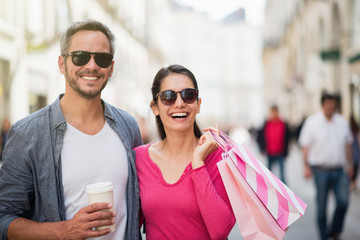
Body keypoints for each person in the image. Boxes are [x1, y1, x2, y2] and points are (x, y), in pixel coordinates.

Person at [0, 19, 143, 240]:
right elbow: (4, 220)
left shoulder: (128, 126)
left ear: (111, 68)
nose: (92, 66)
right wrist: (65, 231)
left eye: (102, 58)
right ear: (61, 64)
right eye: (80, 56)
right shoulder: (27, 134)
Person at [134, 64, 236, 239]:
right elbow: (129, 223)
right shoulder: (138, 158)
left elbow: (221, 230)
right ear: (155, 107)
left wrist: (198, 163)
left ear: (198, 104)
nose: (179, 103)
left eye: (188, 95)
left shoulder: (220, 155)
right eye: (168, 97)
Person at [299, 93, 353, 240]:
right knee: (322, 207)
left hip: (339, 170)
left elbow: (348, 144)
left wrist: (350, 164)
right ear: (323, 105)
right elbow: (305, 145)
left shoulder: (342, 122)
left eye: (332, 103)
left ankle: (335, 229)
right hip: (320, 170)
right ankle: (323, 236)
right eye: (328, 103)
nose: (330, 106)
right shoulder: (312, 122)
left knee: (343, 201)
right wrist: (306, 166)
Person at [257, 105, 290, 183]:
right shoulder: (266, 124)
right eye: (273, 112)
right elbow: (260, 137)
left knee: (282, 174)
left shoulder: (283, 124)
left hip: (280, 152)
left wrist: (286, 151)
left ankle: (284, 191)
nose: (274, 114)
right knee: (269, 174)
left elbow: (287, 138)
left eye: (276, 112)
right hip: (269, 152)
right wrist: (262, 148)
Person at [349, 114, 360, 190]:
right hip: (356, 151)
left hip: (352, 151)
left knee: (353, 166)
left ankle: (352, 182)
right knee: (355, 167)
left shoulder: (350, 129)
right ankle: (353, 182)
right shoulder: (356, 129)